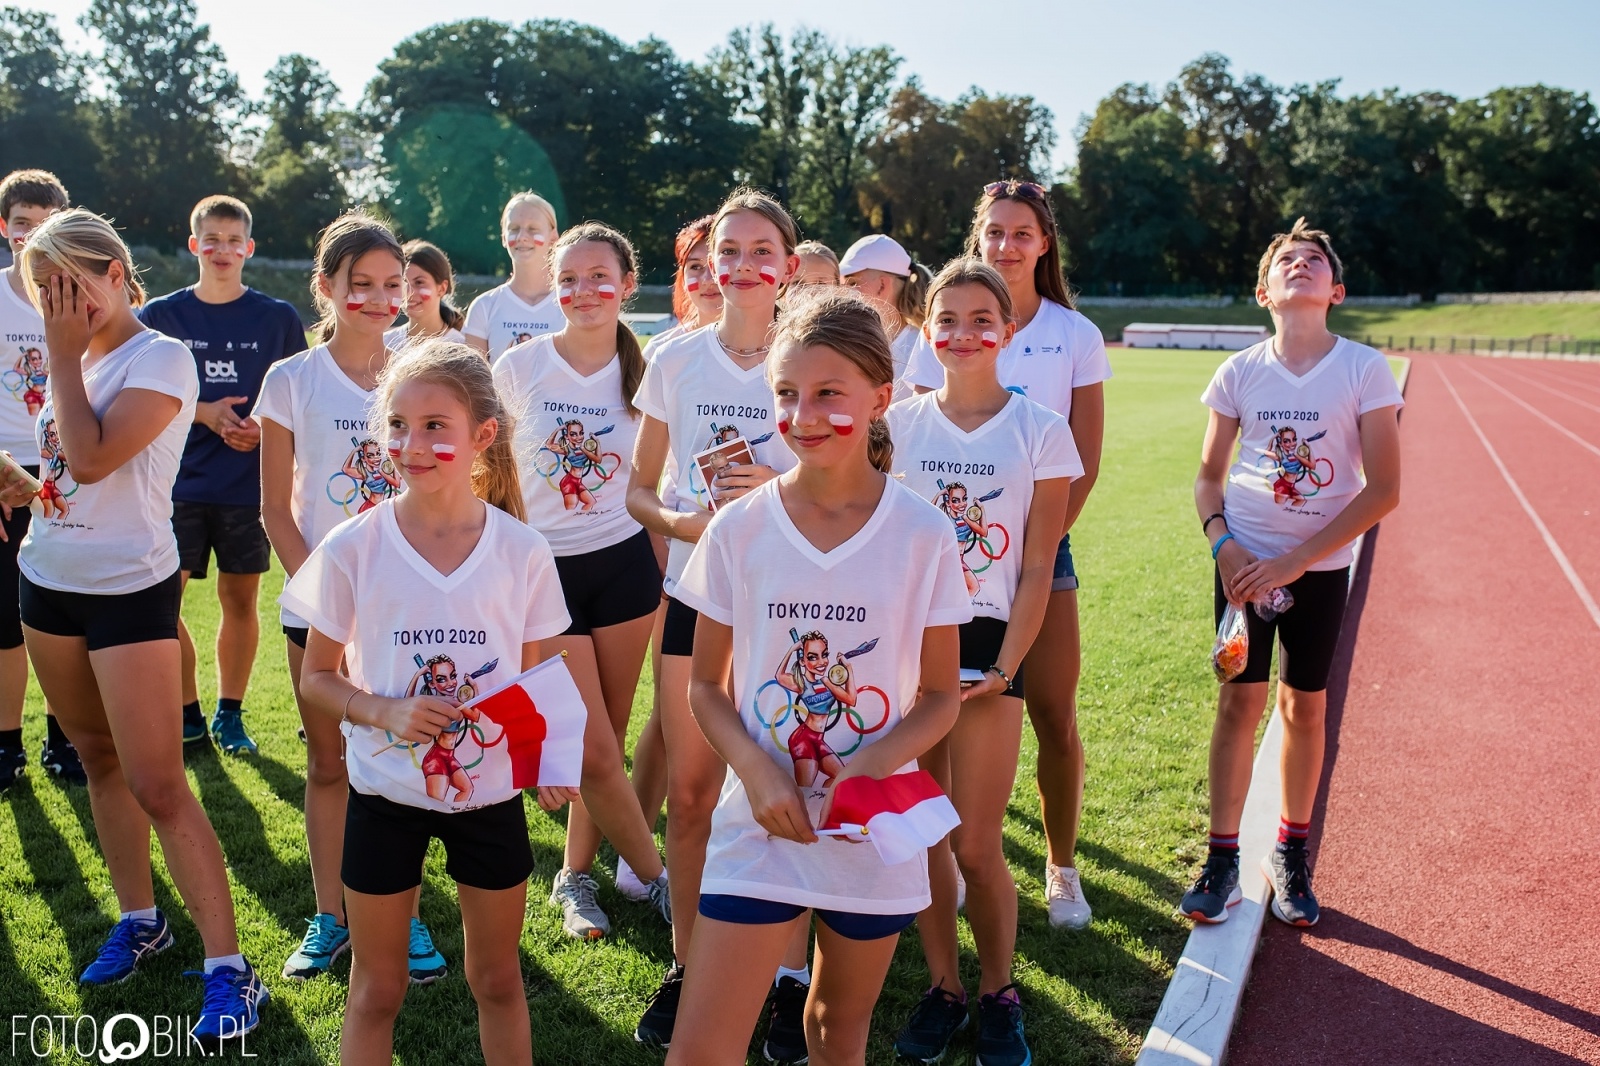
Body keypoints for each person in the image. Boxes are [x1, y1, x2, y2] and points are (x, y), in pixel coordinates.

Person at [665, 289, 970, 1066]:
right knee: (700, 1050)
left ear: (880, 398)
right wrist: (758, 772)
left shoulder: (924, 534)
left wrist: (865, 772)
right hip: (757, 829)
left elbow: (939, 698)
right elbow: (706, 686)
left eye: (827, 393)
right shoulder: (738, 528)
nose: (803, 415)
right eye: (786, 394)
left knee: (836, 1031)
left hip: (872, 838)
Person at [283, 340, 574, 1066]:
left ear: (482, 435)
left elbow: (532, 684)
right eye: (398, 425)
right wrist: (383, 712)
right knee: (376, 989)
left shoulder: (522, 550)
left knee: (498, 980)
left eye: (436, 426)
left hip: (490, 801)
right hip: (383, 796)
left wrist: (541, 763)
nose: (412, 445)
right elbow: (316, 679)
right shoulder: (354, 546)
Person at [13, 208, 266, 1043]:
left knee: (159, 782)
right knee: (96, 760)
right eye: (41, 286)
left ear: (118, 274)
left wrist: (56, 351)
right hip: (47, 580)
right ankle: (141, 918)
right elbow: (64, 473)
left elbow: (92, 456)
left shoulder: (161, 356)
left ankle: (231, 970)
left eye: (71, 284)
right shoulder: (69, 355)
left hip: (129, 591)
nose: (58, 302)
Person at [886, 260, 1080, 1065]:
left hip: (987, 649)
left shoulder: (1040, 429)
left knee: (975, 844)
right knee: (926, 834)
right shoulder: (895, 423)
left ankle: (1000, 989)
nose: (963, 334)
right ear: (926, 328)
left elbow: (1039, 566)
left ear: (1008, 329)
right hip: (908, 645)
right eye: (947, 319)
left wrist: (1004, 667)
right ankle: (944, 987)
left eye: (981, 319)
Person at [903, 179, 1111, 929]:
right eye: (994, 231)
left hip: (1036, 555)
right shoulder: (948, 323)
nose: (1007, 244)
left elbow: (1082, 458)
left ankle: (1061, 868)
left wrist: (1035, 551)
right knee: (939, 717)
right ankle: (945, 863)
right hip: (946, 566)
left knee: (1052, 714)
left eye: (1022, 232)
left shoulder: (1073, 333)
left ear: (1044, 242)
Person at [1183, 218, 1402, 928]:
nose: (1300, 265)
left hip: (1317, 569)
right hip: (1243, 567)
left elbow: (1383, 490)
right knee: (1237, 706)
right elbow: (1209, 478)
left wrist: (1297, 561)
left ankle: (1290, 851)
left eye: (1314, 260)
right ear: (1263, 290)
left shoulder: (1364, 368)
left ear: (1335, 290)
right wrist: (1225, 547)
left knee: (1303, 706)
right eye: (1286, 259)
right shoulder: (1238, 371)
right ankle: (1221, 860)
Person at [626, 189, 805, 1053]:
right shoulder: (673, 360)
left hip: (796, 611)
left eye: (760, 250)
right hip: (701, 596)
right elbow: (637, 491)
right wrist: (692, 523)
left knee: (790, 791)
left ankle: (788, 979)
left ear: (791, 267)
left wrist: (772, 498)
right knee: (693, 797)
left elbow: (861, 480)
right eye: (726, 251)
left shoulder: (815, 355)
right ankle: (689, 963)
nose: (740, 266)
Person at [255, 212, 446, 983]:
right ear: (326, 287)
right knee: (330, 765)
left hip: (411, 615)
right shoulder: (290, 379)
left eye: (389, 284)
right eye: (357, 284)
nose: (375, 299)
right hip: (321, 612)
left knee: (407, 764)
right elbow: (276, 509)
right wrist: (330, 601)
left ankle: (408, 918)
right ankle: (331, 917)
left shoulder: (424, 366)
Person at [492, 222, 671, 938]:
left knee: (609, 734)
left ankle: (576, 876)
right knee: (590, 747)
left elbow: (655, 481)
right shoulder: (519, 367)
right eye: (568, 279)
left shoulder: (653, 372)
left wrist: (662, 570)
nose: (583, 291)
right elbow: (492, 477)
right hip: (545, 572)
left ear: (628, 286)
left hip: (625, 567)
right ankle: (657, 881)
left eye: (600, 277)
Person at [139, 194, 306, 754]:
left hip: (249, 490)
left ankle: (229, 714)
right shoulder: (161, 315)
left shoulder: (277, 318)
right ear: (194, 245)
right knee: (162, 604)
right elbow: (129, 387)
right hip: (174, 486)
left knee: (241, 603)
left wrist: (262, 425)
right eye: (212, 239)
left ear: (249, 248)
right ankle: (186, 712)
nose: (223, 250)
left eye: (234, 241)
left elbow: (296, 399)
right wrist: (202, 412)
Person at [0, 169, 80, 787]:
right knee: (5, 617)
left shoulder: (82, 297)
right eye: (21, 223)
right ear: (5, 229)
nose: (31, 236)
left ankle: (65, 741)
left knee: (62, 613)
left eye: (44, 223)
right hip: (3, 471)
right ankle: (6, 747)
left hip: (66, 470)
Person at [464, 192, 561, 361]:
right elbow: (474, 383)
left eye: (533, 229)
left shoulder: (570, 302)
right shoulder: (484, 307)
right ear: (503, 237)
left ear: (553, 237)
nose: (522, 237)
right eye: (514, 229)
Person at [839, 234, 929, 401]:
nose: (844, 292)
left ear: (882, 285)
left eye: (852, 283)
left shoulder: (921, 347)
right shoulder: (849, 343)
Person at [384, 240, 466, 350]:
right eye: (402, 283)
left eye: (419, 282)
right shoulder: (386, 343)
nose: (408, 292)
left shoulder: (460, 346)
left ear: (442, 288)